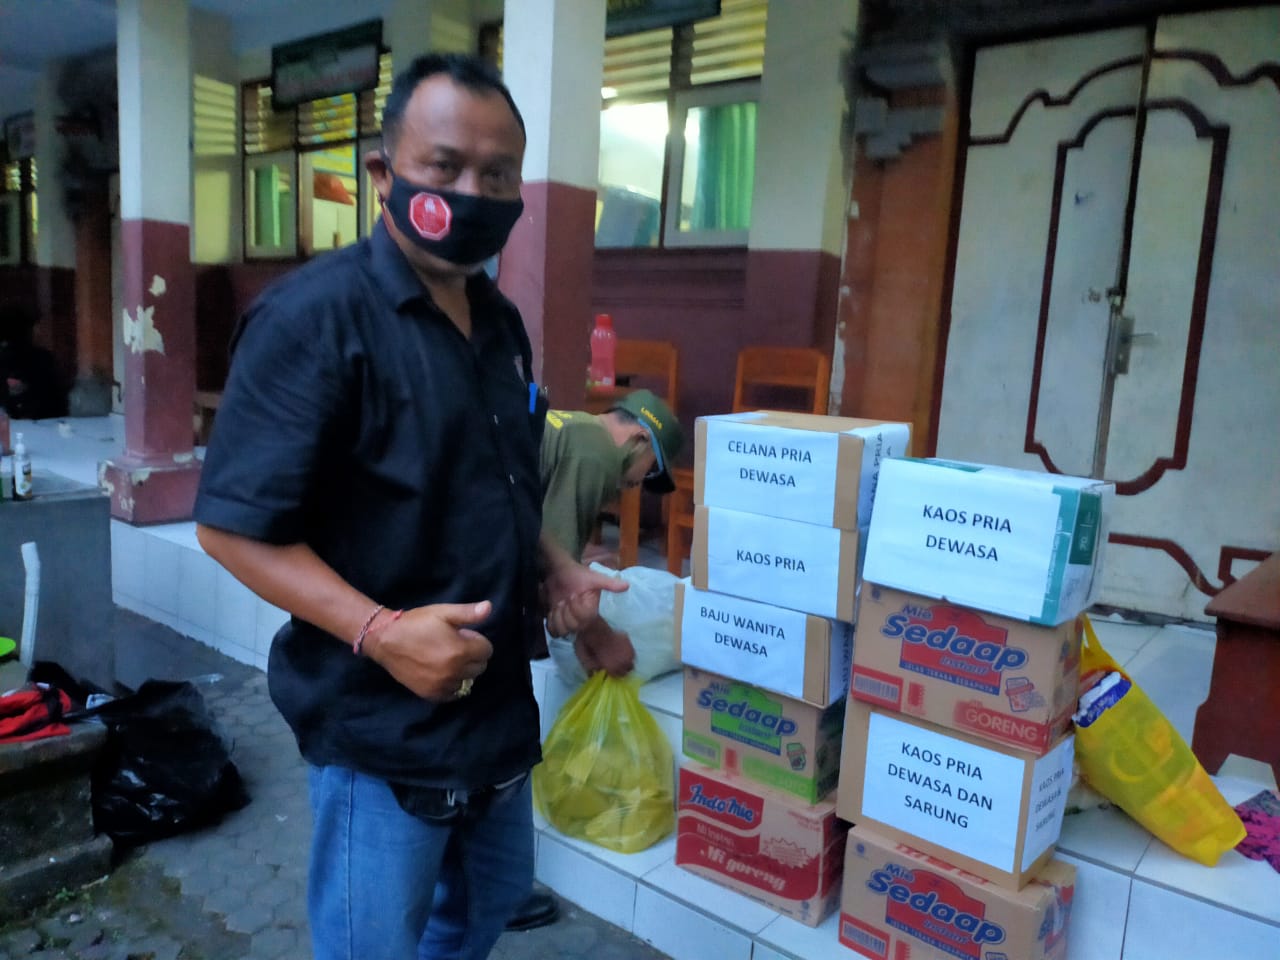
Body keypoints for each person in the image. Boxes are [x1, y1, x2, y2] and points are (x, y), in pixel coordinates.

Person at [193, 53, 622, 960]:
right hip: (379, 734)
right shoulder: (312, 320)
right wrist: (382, 632)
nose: (473, 193)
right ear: (384, 174)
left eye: (498, 175)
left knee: (482, 912)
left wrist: (555, 567)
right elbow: (230, 527)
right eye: (445, 166)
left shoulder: (500, 323)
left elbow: (497, 477)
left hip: (496, 713)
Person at [505, 389, 683, 932]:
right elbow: (555, 573)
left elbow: (548, 545)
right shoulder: (595, 451)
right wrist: (601, 636)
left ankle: (486, 885)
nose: (637, 486)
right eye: (648, 472)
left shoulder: (571, 428)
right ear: (639, 439)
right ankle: (491, 887)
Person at [0, 303, 64, 421]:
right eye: (35, 326)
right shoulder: (40, 358)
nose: (39, 331)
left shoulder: (38, 357)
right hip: (39, 420)